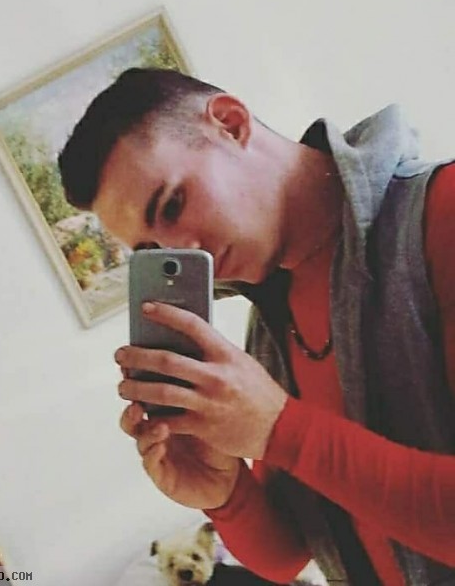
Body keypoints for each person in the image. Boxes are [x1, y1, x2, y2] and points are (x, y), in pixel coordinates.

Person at [58, 68, 455, 585]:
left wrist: (281, 430)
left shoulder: (442, 214)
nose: (184, 250)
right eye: (152, 250)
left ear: (230, 123)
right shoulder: (267, 328)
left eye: (173, 204)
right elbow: (293, 557)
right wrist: (225, 494)